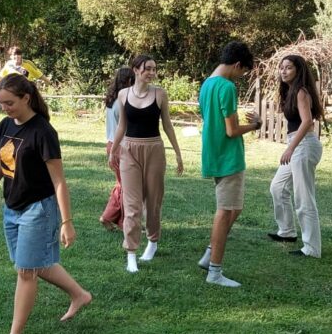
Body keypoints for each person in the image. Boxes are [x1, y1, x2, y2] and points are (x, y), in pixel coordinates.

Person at [0, 73, 91, 334]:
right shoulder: (5, 125)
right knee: (32, 263)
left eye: (9, 103)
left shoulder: (43, 132)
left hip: (38, 209)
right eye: (0, 103)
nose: (4, 108)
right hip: (12, 207)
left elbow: (59, 181)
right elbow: (1, 164)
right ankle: (79, 295)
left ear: (26, 98)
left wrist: (67, 221)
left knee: (26, 271)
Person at [109, 55, 184, 273]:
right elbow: (121, 126)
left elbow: (168, 125)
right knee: (131, 205)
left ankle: (152, 241)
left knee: (153, 201)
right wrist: (113, 150)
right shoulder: (123, 94)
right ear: (135, 69)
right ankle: (131, 253)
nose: (152, 73)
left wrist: (178, 153)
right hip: (129, 151)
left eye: (154, 69)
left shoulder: (160, 94)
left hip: (154, 150)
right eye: (148, 68)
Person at [197, 41, 261, 288]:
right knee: (225, 212)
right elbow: (231, 130)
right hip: (228, 157)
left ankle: (209, 254)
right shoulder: (226, 86)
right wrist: (255, 125)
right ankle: (214, 271)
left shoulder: (207, 84)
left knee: (234, 208)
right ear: (237, 65)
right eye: (243, 71)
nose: (241, 76)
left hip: (213, 153)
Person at [268, 55, 324, 258]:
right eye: (281, 67)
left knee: (304, 197)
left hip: (304, 146)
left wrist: (290, 148)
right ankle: (287, 232)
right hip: (298, 145)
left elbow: (307, 122)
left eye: (288, 68)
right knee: (277, 187)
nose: (283, 71)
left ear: (298, 71)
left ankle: (312, 248)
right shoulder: (292, 91)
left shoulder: (301, 91)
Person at [99, 67, 135, 231]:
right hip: (121, 145)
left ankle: (115, 219)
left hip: (111, 144)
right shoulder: (124, 101)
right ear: (129, 81)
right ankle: (118, 220)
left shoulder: (111, 99)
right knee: (127, 186)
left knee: (123, 184)